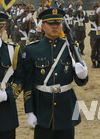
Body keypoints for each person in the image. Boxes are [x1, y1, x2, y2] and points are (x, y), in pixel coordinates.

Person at [23, 8, 88, 139]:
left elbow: (80, 81)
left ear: (62, 25)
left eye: (58, 23)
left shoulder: (71, 48)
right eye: (50, 23)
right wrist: (30, 111)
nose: (54, 26)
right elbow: (28, 84)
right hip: (42, 108)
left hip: (66, 107)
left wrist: (83, 76)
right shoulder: (32, 50)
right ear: (42, 25)